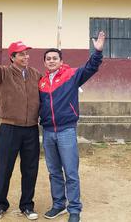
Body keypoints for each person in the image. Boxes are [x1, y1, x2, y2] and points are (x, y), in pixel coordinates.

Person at [39, 31, 105, 222]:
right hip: (48, 132)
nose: (51, 61)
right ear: (44, 63)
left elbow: (91, 67)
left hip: (66, 130)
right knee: (53, 172)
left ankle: (74, 208)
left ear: (61, 61)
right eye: (48, 59)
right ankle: (58, 204)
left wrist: (98, 51)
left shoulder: (72, 75)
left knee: (70, 171)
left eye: (55, 58)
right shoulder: (41, 83)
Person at [0, 32, 42, 221]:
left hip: (31, 128)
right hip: (9, 128)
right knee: (5, 168)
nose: (26, 57)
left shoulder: (35, 75)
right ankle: (0, 205)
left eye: (27, 53)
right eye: (21, 54)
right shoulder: (3, 74)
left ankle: (27, 205)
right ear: (13, 57)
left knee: (30, 169)